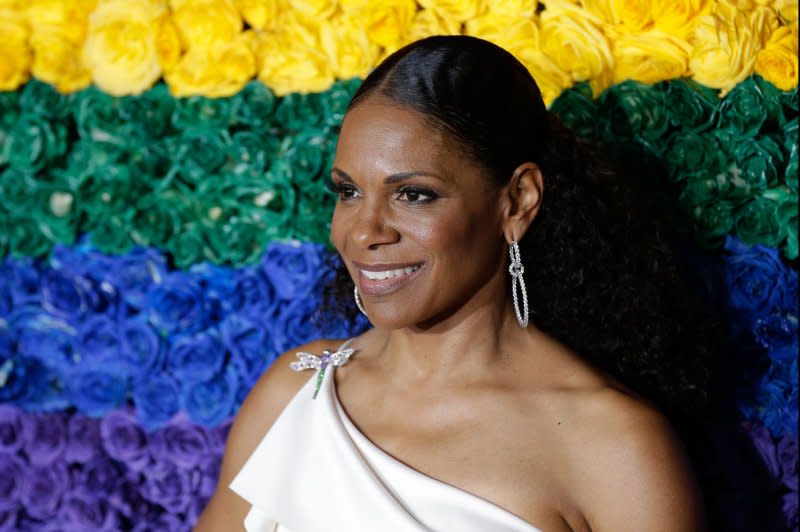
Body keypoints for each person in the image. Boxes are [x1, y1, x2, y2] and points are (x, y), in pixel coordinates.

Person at [195, 35, 711, 531]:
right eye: (349, 191)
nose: (363, 232)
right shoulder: (294, 391)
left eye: (414, 195)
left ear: (517, 201)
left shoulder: (614, 447)